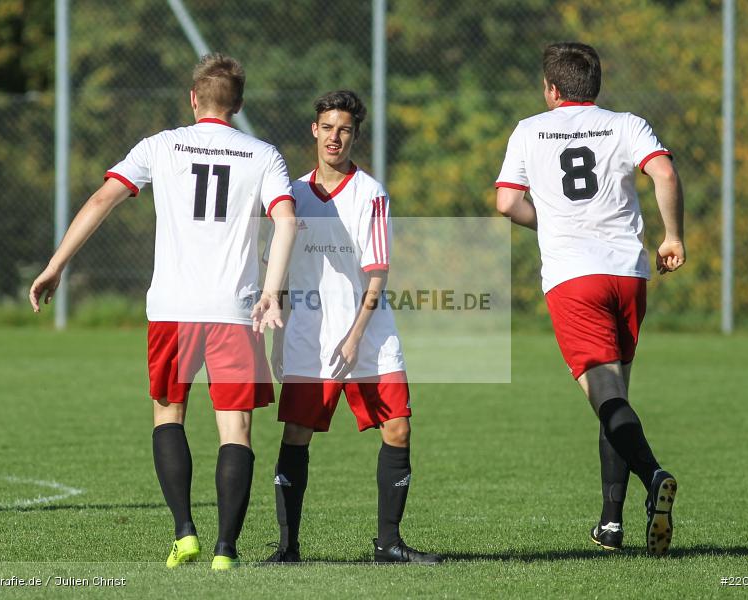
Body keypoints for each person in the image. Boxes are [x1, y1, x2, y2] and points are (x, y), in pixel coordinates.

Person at [28, 53, 297, 570]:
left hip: (173, 310)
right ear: (238, 105)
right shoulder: (263, 155)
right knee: (235, 430)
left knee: (168, 415)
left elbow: (103, 199)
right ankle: (226, 550)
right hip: (234, 312)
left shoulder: (160, 146)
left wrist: (56, 264)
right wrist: (270, 289)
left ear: (193, 99)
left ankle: (184, 531)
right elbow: (286, 223)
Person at [495, 42, 684, 556]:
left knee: (606, 397)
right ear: (595, 85)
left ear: (552, 89)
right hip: (627, 273)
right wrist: (674, 237)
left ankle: (653, 475)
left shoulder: (531, 129)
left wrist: (547, 222)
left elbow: (507, 201)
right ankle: (611, 524)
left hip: (574, 277)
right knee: (616, 394)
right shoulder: (627, 124)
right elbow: (664, 172)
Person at [263, 90, 441, 564]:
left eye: (344, 129)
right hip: (309, 338)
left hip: (369, 335)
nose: (334, 137)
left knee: (398, 429)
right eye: (327, 127)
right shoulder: (292, 195)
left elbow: (378, 273)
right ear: (314, 131)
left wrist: (358, 332)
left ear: (354, 135)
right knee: (297, 434)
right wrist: (278, 339)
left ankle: (389, 544)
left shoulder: (371, 193)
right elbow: (275, 273)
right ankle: (287, 548)